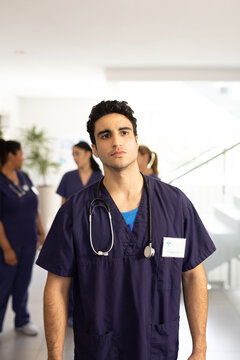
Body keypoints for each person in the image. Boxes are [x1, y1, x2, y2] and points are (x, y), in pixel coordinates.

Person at [37, 100, 216, 360]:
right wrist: (54, 355)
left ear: (136, 140)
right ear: (95, 149)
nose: (117, 142)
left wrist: (200, 347)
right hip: (100, 348)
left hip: (157, 346)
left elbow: (193, 275)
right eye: (105, 135)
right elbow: (57, 286)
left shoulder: (175, 204)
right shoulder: (75, 211)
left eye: (124, 132)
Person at [0, 139, 45, 336]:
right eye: (20, 154)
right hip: (8, 244)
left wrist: (41, 232)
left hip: (28, 241)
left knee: (23, 284)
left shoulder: (24, 176)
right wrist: (7, 249)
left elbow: (34, 207)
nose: (23, 157)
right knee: (3, 287)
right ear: (11, 155)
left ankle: (22, 320)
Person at [56, 140, 102, 326]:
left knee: (90, 273)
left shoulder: (100, 177)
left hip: (94, 233)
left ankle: (89, 312)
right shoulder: (68, 177)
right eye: (73, 154)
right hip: (71, 231)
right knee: (70, 272)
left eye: (78, 154)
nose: (75, 158)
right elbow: (64, 205)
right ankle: (70, 314)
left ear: (88, 154)